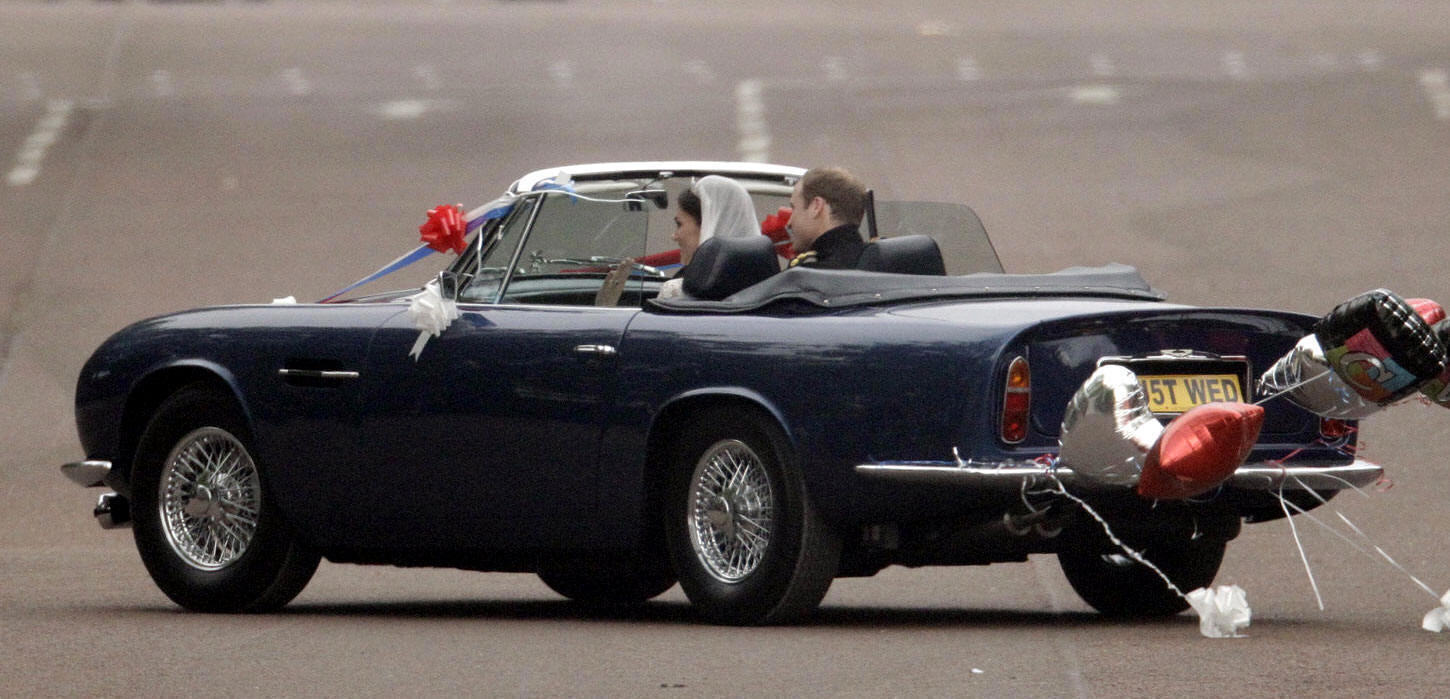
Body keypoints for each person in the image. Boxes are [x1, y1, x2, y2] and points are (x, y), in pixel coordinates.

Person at [658, 175, 762, 299]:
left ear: (707, 224)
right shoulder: (767, 292)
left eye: (679, 224)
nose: (674, 236)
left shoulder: (676, 292)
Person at [785, 167, 867, 269]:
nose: (789, 222)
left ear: (816, 206)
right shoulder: (879, 264)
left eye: (794, 208)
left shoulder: (810, 274)